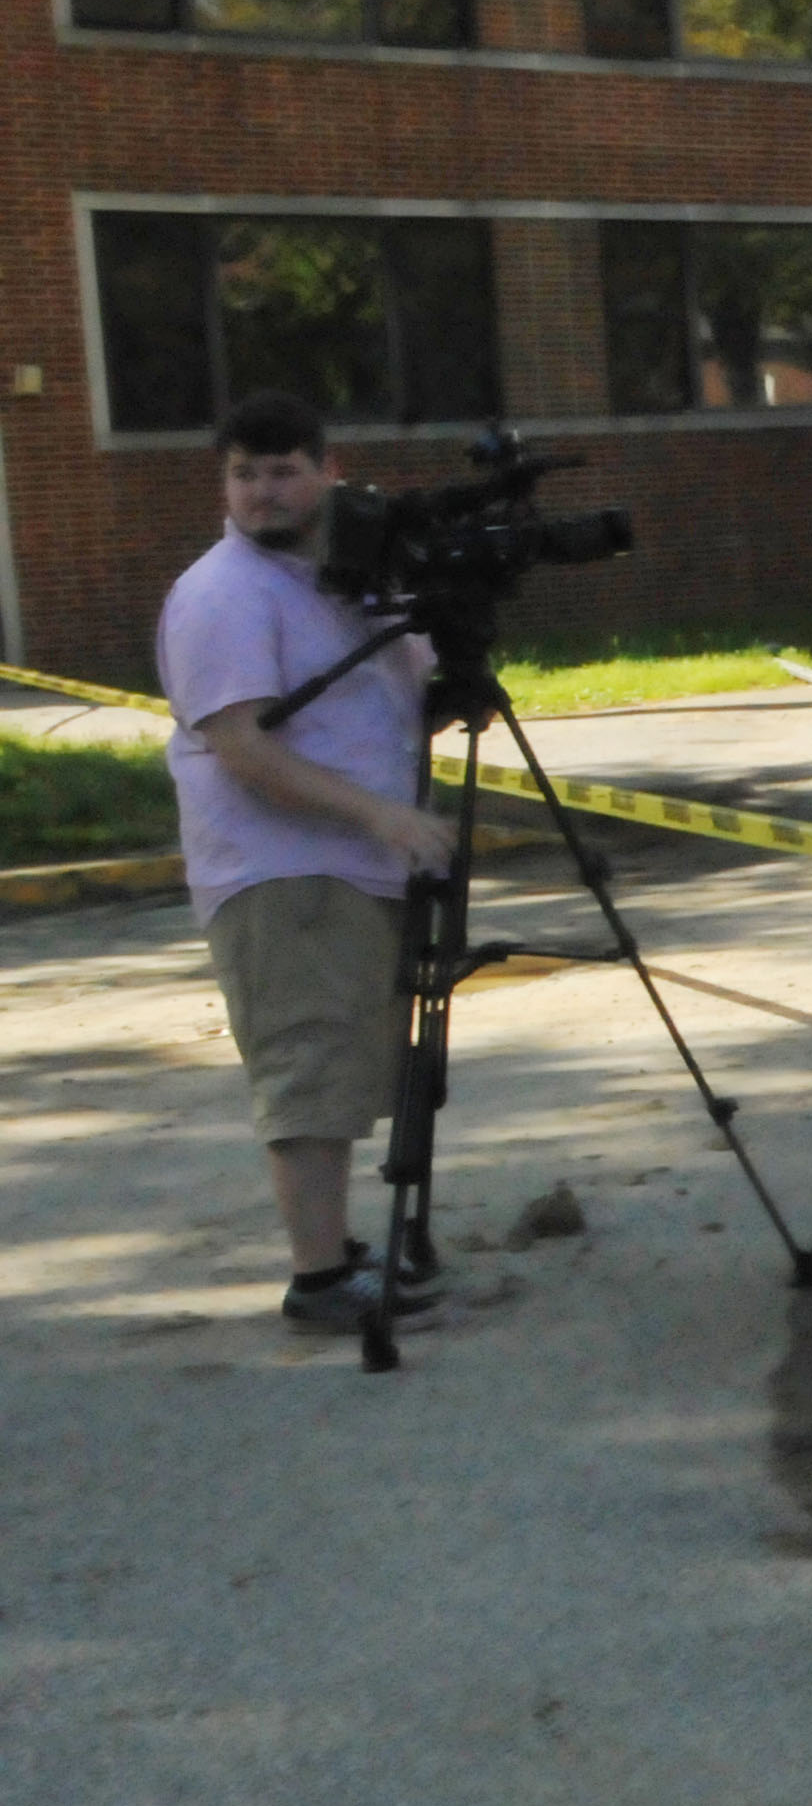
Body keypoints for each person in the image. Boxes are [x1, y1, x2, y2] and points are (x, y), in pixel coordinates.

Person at [159, 391, 451, 1336]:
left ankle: (342, 1251)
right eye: (244, 473)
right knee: (308, 1071)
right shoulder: (223, 594)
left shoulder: (342, 579)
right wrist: (382, 814)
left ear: (329, 471)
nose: (263, 492)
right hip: (280, 871)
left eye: (282, 471)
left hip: (354, 867)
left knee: (347, 1065)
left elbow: (404, 697)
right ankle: (319, 1279)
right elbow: (243, 750)